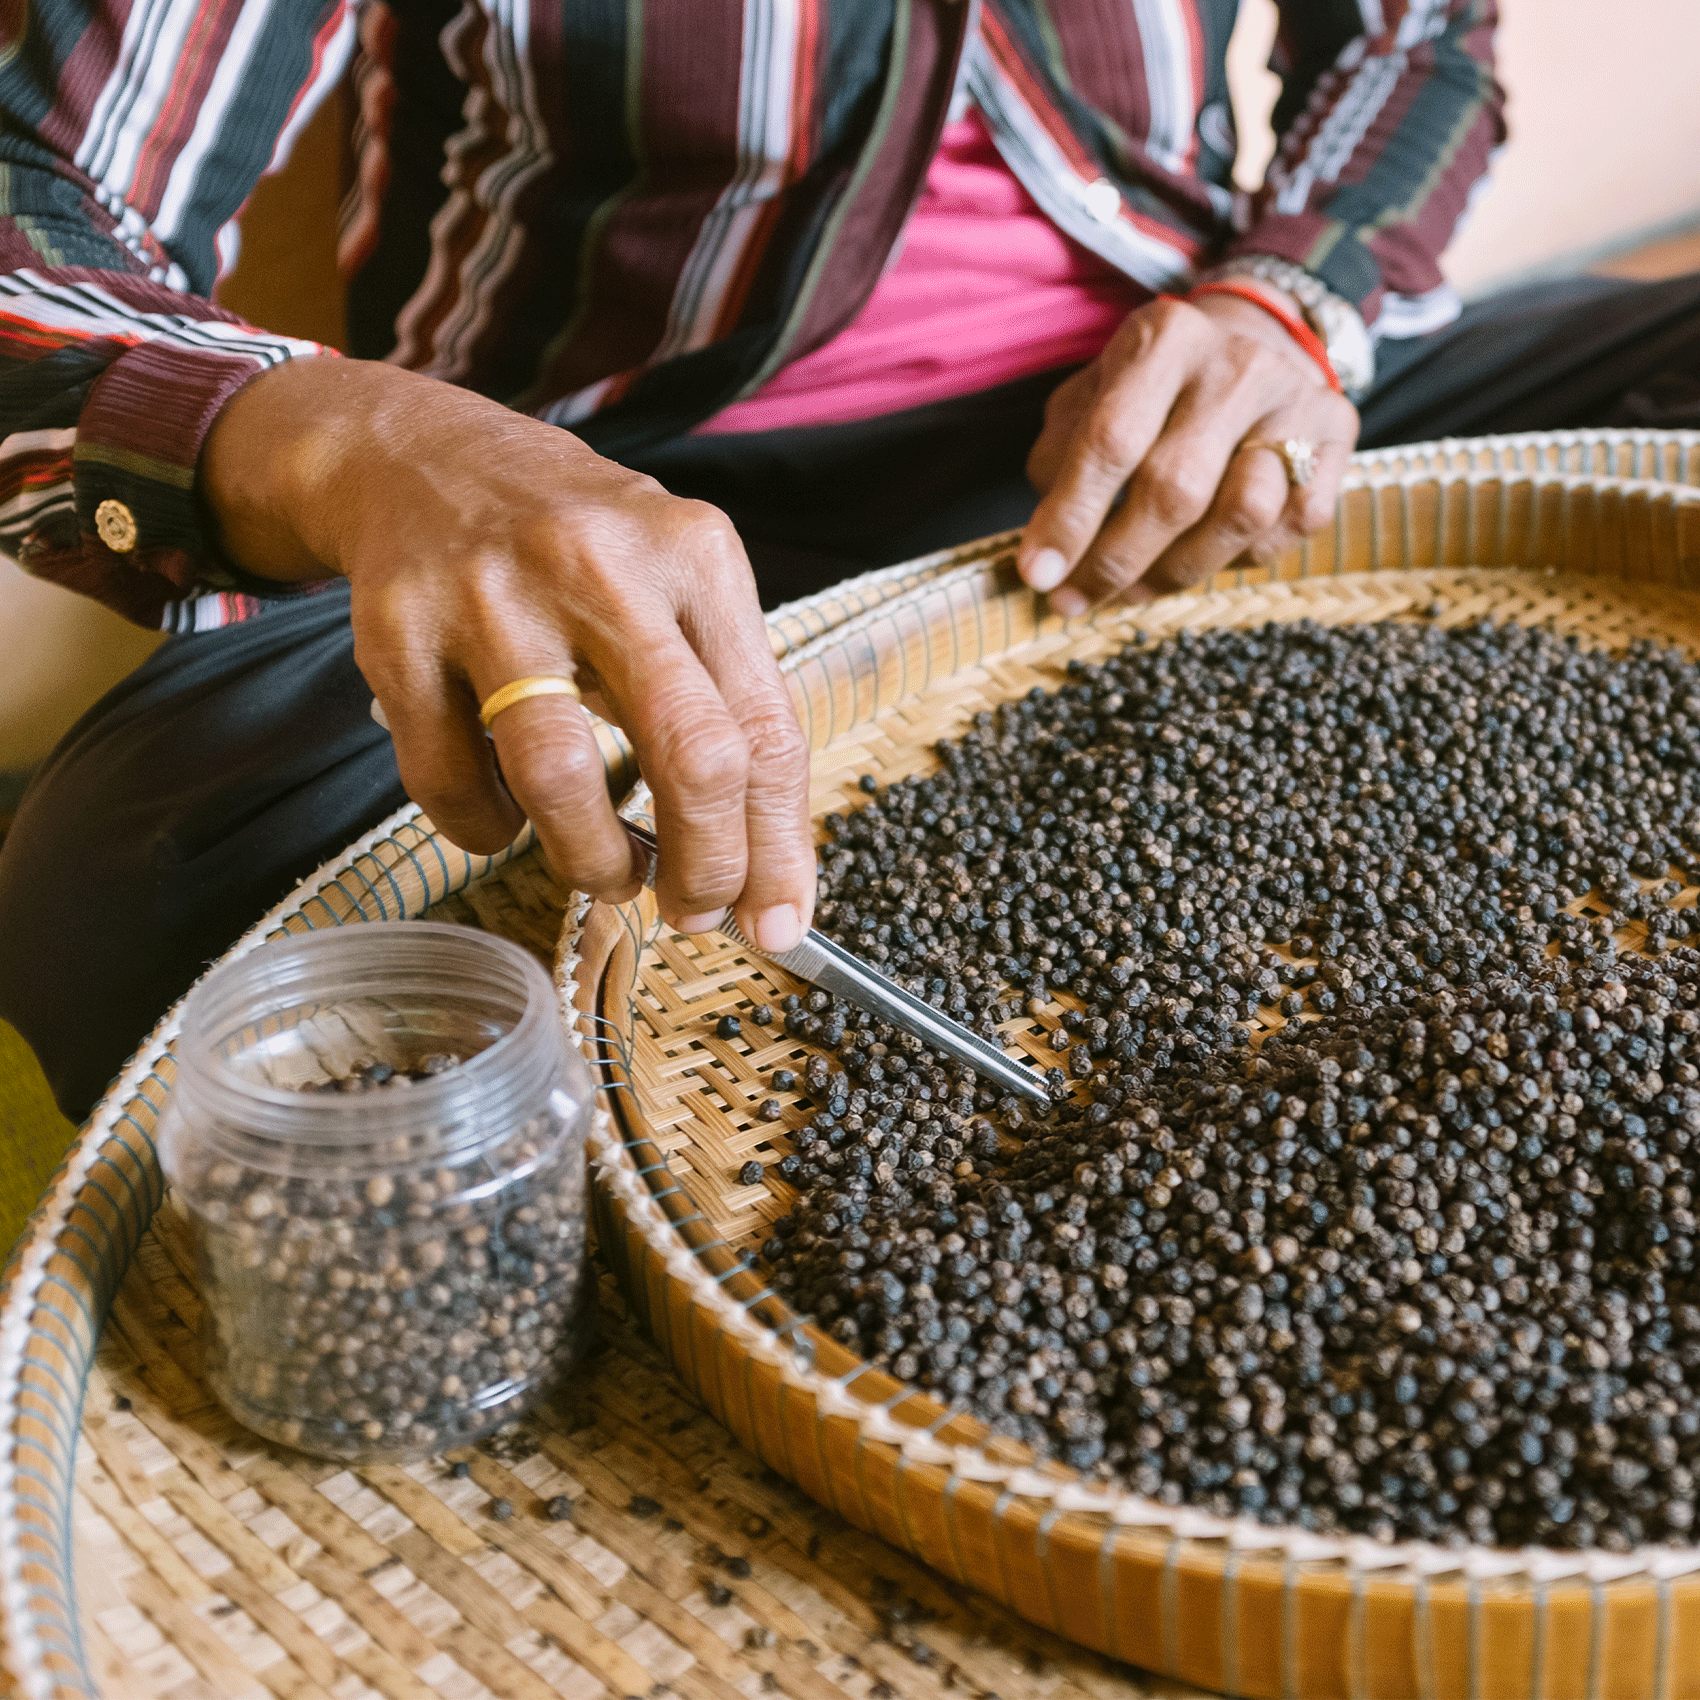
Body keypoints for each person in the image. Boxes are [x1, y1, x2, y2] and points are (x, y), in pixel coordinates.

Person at [0, 0, 1694, 1122]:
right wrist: (366, 444)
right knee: (128, 879)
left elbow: (1419, 40)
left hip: (1147, 447)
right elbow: (32, 193)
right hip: (634, 499)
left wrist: (1292, 301)